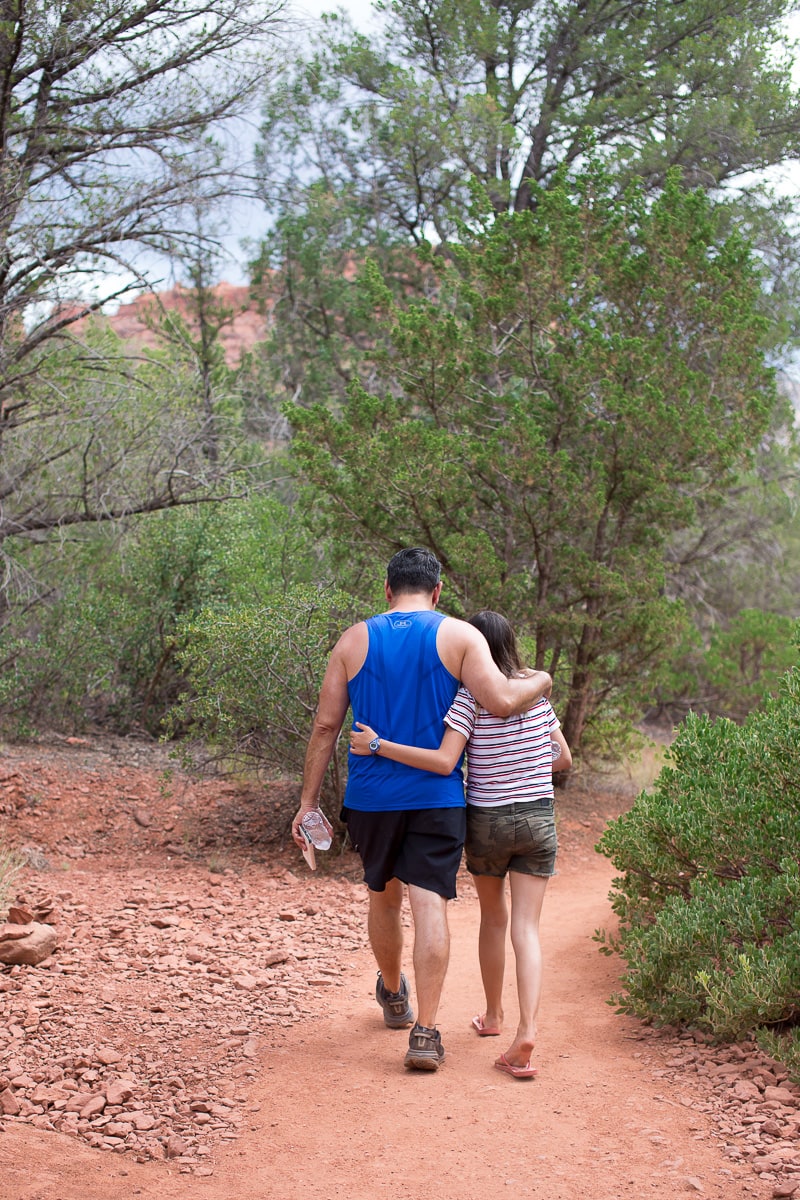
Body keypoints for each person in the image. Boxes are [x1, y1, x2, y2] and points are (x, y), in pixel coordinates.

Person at [291, 549, 552, 1072]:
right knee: (429, 903)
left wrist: (306, 803)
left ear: (387, 590)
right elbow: (501, 701)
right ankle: (427, 1033)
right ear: (437, 593)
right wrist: (544, 680)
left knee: (383, 899)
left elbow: (325, 726)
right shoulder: (459, 636)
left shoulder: (353, 640)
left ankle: (392, 993)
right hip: (437, 798)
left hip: (371, 798)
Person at [349, 609, 571, 1080]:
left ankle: (492, 1017)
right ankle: (526, 1029)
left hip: (488, 819)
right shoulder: (536, 695)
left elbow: (446, 759)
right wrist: (528, 768)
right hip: (537, 818)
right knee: (527, 929)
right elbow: (563, 758)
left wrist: (378, 745)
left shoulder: (468, 699)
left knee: (495, 918)